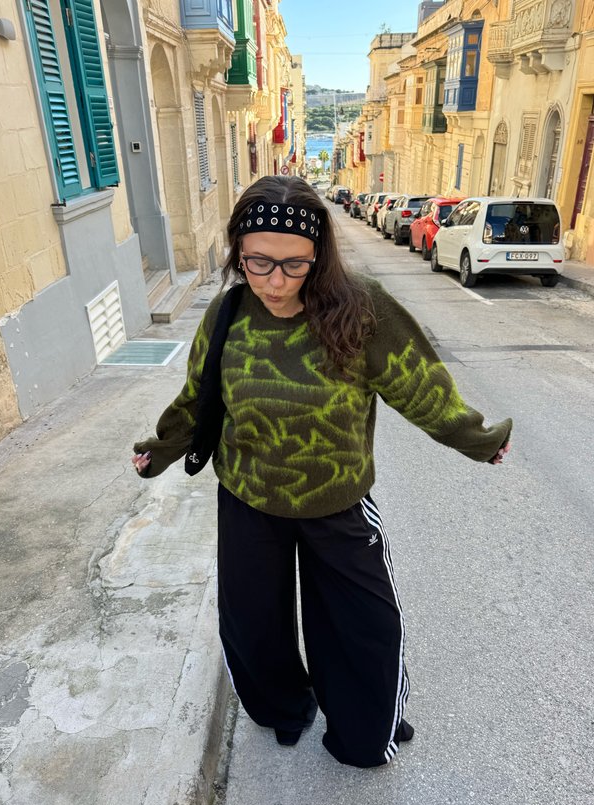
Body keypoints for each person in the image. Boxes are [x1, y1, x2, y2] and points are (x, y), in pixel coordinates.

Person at [132, 175, 511, 769]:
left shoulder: (360, 310)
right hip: (249, 498)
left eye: (294, 265)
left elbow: (419, 384)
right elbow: (199, 399)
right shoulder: (228, 314)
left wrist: (475, 439)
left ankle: (367, 721)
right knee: (253, 623)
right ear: (238, 251)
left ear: (319, 257)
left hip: (338, 504)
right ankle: (286, 708)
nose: (275, 282)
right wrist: (160, 449)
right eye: (258, 263)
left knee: (361, 628)